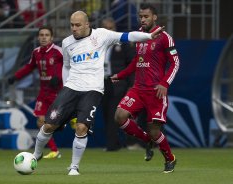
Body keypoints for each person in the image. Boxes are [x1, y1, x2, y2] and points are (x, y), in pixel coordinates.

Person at [32, 10, 163, 176]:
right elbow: (66, 66)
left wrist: (149, 37)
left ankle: (74, 167)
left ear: (87, 24)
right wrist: (66, 85)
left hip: (93, 90)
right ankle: (36, 155)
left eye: (78, 25)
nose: (74, 28)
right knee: (48, 124)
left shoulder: (102, 35)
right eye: (72, 25)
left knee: (81, 127)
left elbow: (127, 36)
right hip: (71, 88)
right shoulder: (66, 43)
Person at [111, 3, 180, 173]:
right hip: (138, 89)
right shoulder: (140, 36)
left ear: (154, 17)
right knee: (119, 116)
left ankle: (170, 158)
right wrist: (120, 75)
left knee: (154, 129)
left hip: (155, 90)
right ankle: (146, 139)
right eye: (140, 16)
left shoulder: (164, 37)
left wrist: (164, 83)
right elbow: (137, 61)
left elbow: (175, 63)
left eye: (146, 16)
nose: (142, 19)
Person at [8, 26, 63, 159]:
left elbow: (68, 66)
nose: (44, 37)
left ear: (52, 38)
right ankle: (54, 150)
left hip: (58, 92)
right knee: (40, 122)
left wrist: (59, 77)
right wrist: (16, 76)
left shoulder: (58, 51)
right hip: (44, 92)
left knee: (56, 123)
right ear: (38, 37)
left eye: (47, 35)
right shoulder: (36, 52)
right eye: (41, 35)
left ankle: (73, 118)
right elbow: (29, 67)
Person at [101, 17, 136, 151]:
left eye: (111, 29)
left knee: (113, 114)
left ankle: (114, 145)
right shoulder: (98, 45)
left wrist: (130, 85)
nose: (109, 31)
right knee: (106, 113)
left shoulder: (123, 44)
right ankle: (114, 143)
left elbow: (131, 65)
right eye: (106, 29)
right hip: (103, 82)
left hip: (118, 83)